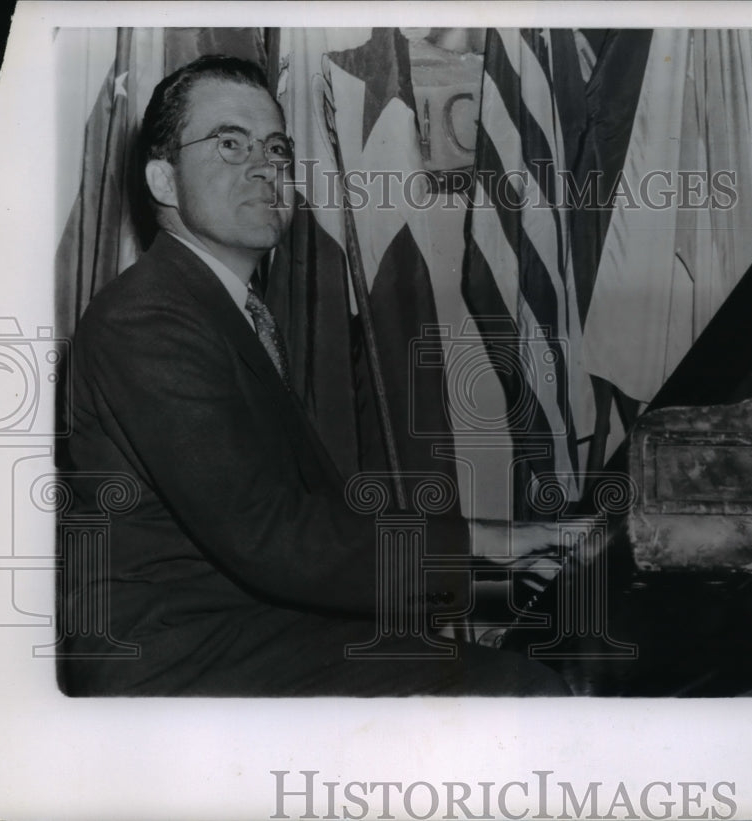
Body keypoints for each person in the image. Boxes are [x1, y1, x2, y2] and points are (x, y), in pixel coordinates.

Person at [57, 55, 569, 696]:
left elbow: (299, 531)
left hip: (249, 629)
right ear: (163, 179)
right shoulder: (147, 317)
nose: (265, 167)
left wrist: (497, 574)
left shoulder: (217, 307)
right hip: (179, 661)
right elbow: (275, 538)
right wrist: (495, 550)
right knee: (523, 693)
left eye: (276, 148)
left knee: (508, 669)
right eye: (229, 143)